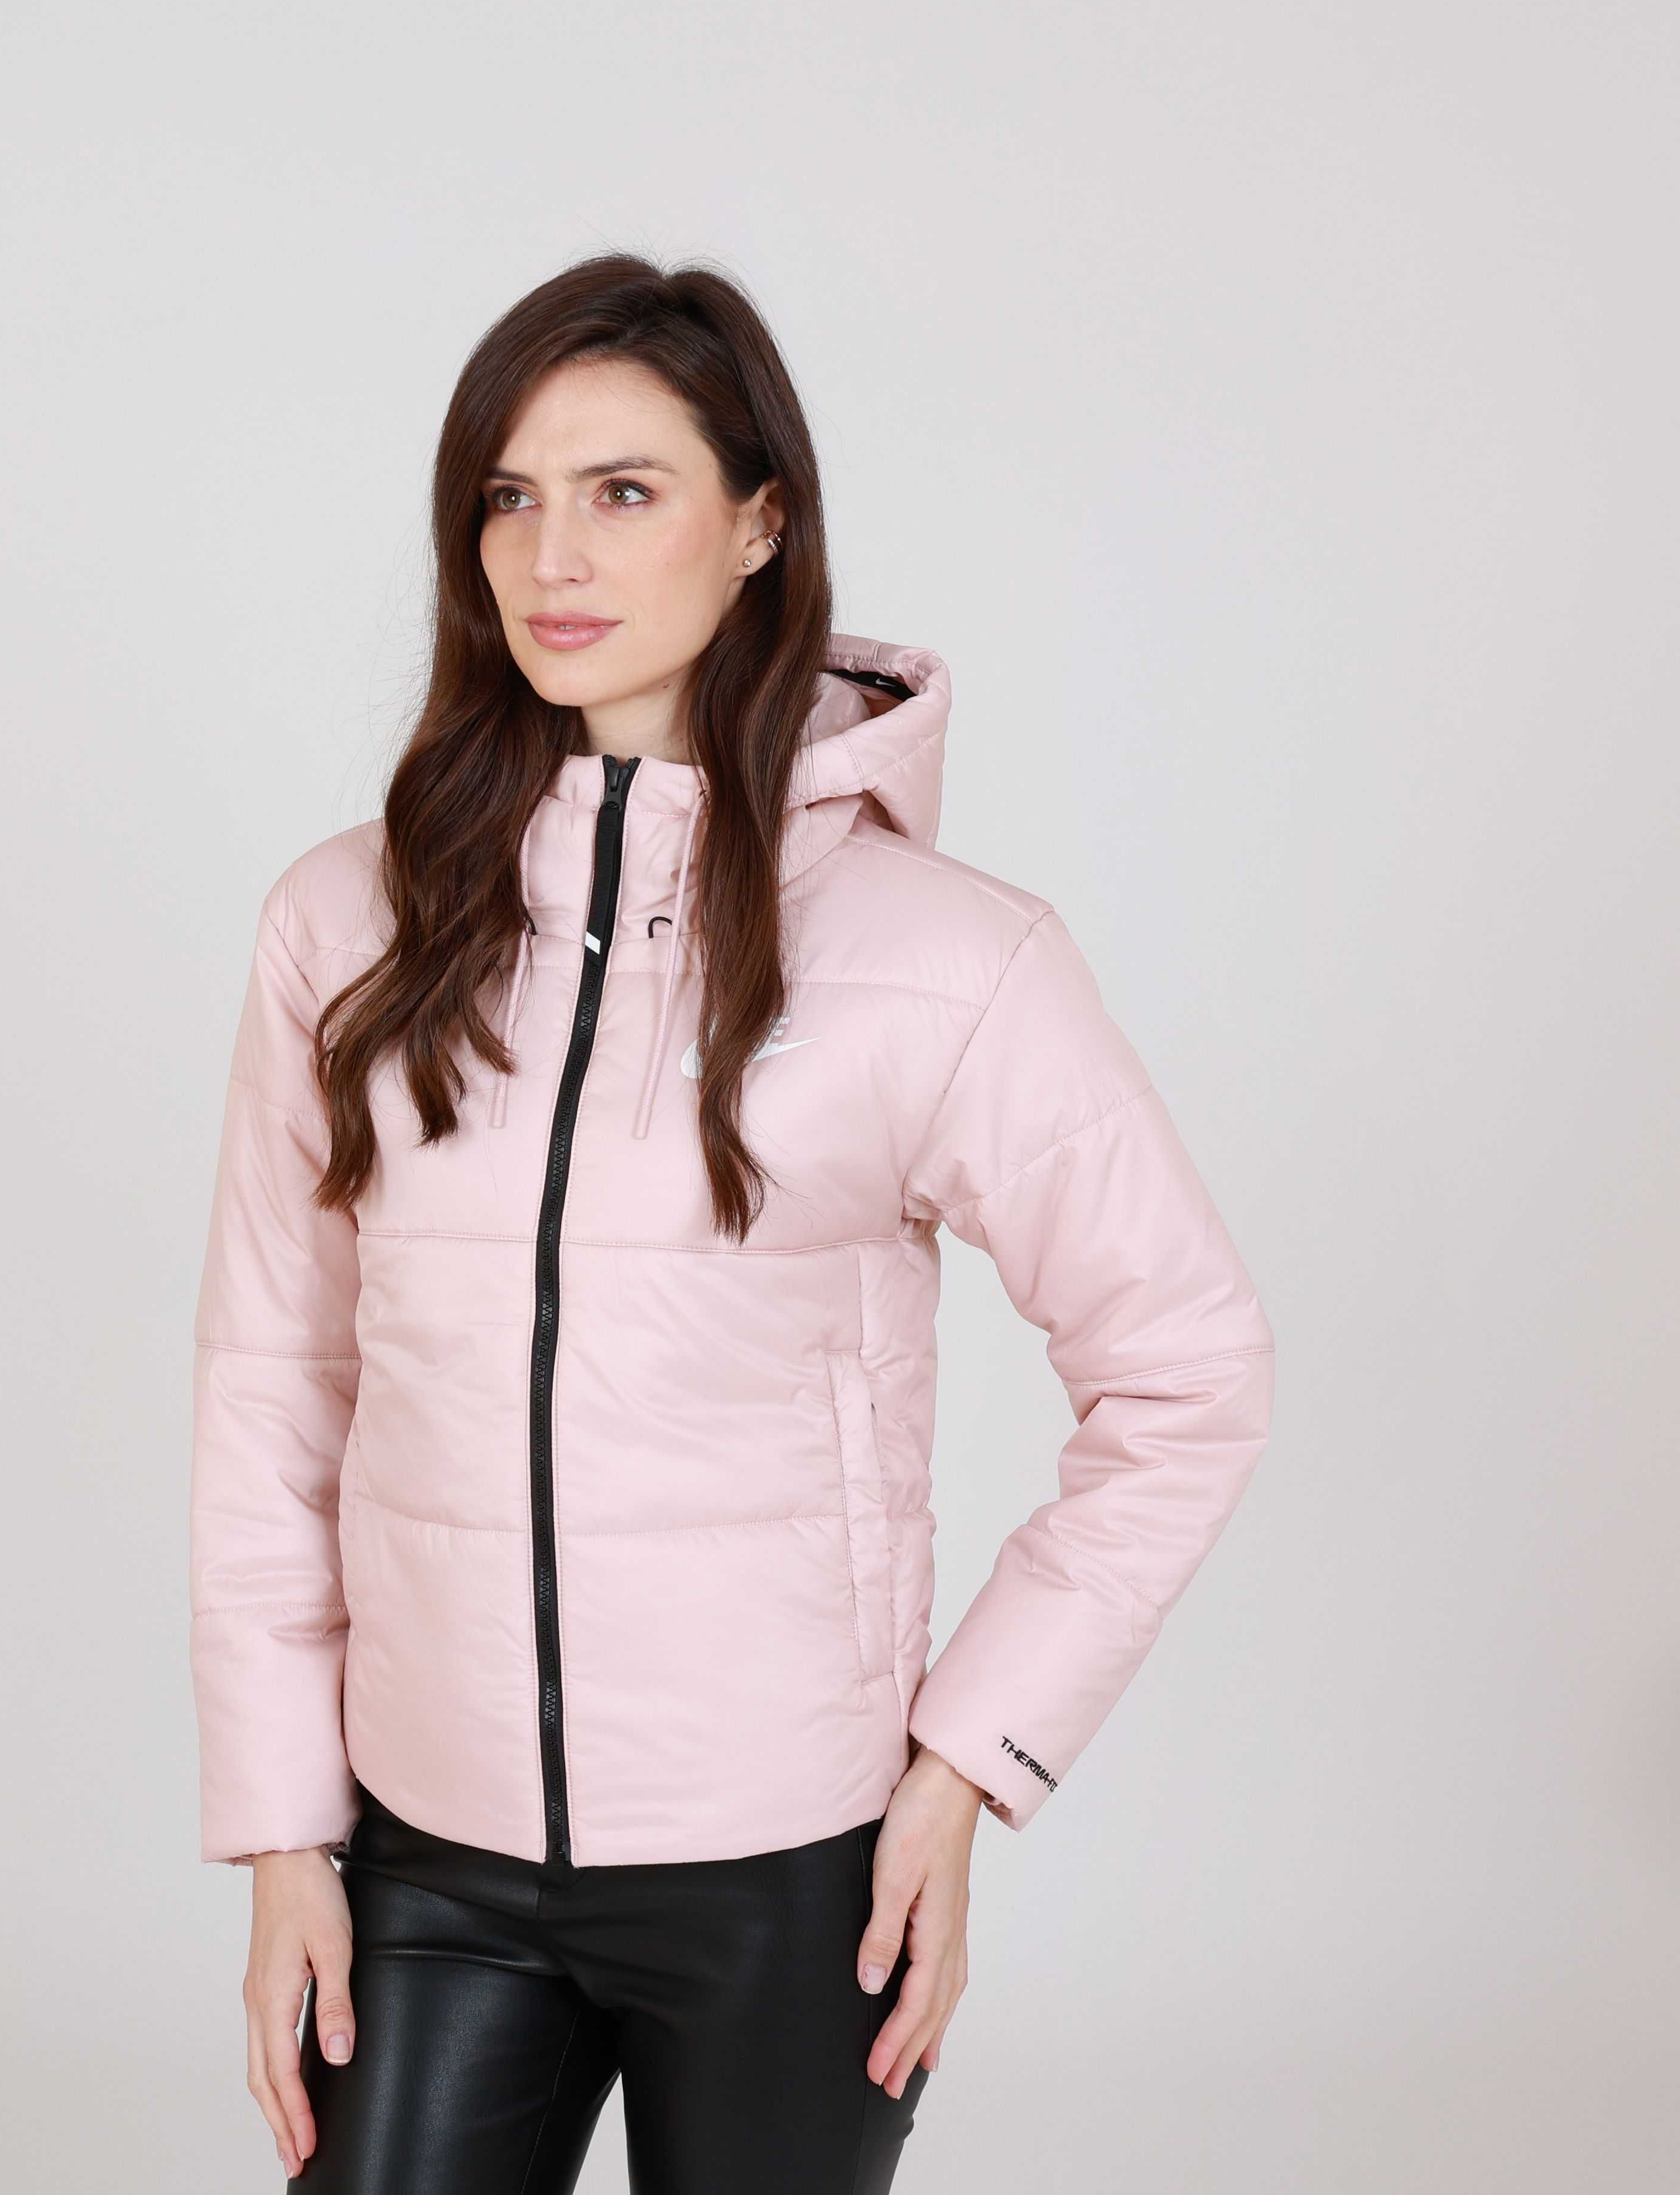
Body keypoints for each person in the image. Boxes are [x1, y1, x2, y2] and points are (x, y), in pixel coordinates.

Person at [189, 251, 1276, 2192]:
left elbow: (1187, 1373)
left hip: (791, 1874)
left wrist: (970, 1767)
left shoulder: (949, 960)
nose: (552, 557)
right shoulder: (347, 927)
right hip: (429, 1852)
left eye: (625, 491)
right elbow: (278, 1389)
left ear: (762, 522)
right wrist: (285, 1832)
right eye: (509, 496)